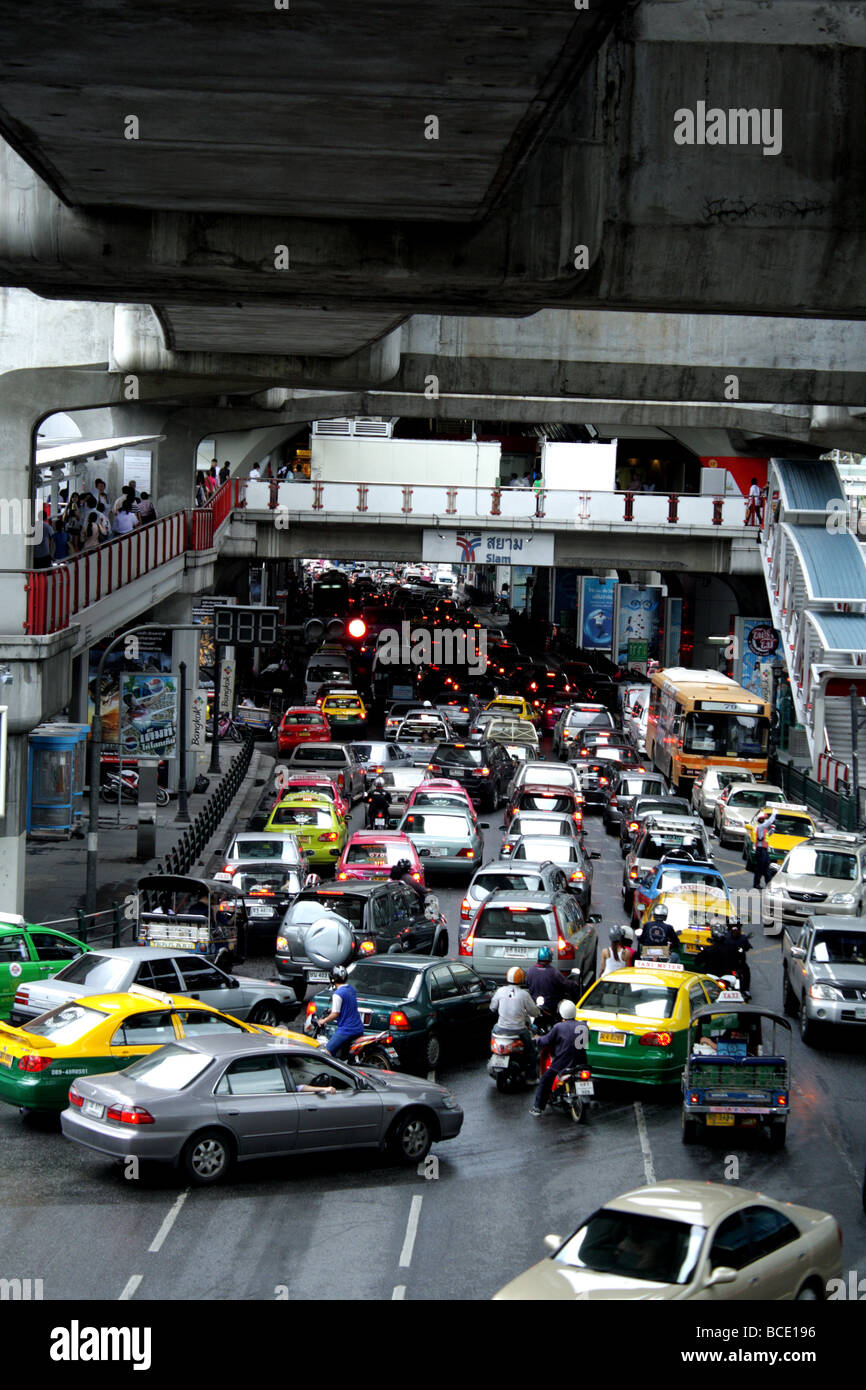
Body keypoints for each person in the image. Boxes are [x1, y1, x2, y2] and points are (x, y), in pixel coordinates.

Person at [530, 999, 588, 1117]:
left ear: (561, 1013)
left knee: (545, 1080)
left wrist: (537, 1039)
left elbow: (546, 1040)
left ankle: (538, 1108)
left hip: (563, 1063)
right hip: (582, 1062)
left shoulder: (559, 1027)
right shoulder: (584, 1025)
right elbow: (586, 1042)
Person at [490, 966, 540, 1064]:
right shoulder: (524, 994)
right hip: (519, 1030)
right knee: (531, 1051)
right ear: (521, 978)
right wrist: (538, 1012)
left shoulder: (500, 991)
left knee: (492, 1034)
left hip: (500, 1028)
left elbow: (492, 1007)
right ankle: (532, 1077)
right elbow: (533, 1012)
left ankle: (492, 1055)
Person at [317, 964, 364, 1060]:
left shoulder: (338, 994)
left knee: (326, 1052)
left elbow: (335, 1014)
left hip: (347, 1030)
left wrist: (323, 1020)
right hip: (358, 1028)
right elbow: (347, 1004)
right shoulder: (351, 989)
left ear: (333, 978)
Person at [526, 946, 566, 1016]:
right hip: (550, 1005)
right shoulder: (554, 972)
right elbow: (564, 984)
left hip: (534, 1003)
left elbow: (527, 983)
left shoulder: (530, 970)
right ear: (550, 958)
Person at [752, 809, 777, 889]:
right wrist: (774, 814)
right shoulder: (761, 827)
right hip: (760, 850)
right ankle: (756, 884)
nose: (766, 820)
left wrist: (771, 831)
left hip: (764, 850)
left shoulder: (764, 829)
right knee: (760, 868)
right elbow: (769, 822)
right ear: (761, 819)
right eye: (764, 819)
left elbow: (765, 838)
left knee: (766, 868)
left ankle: (768, 884)